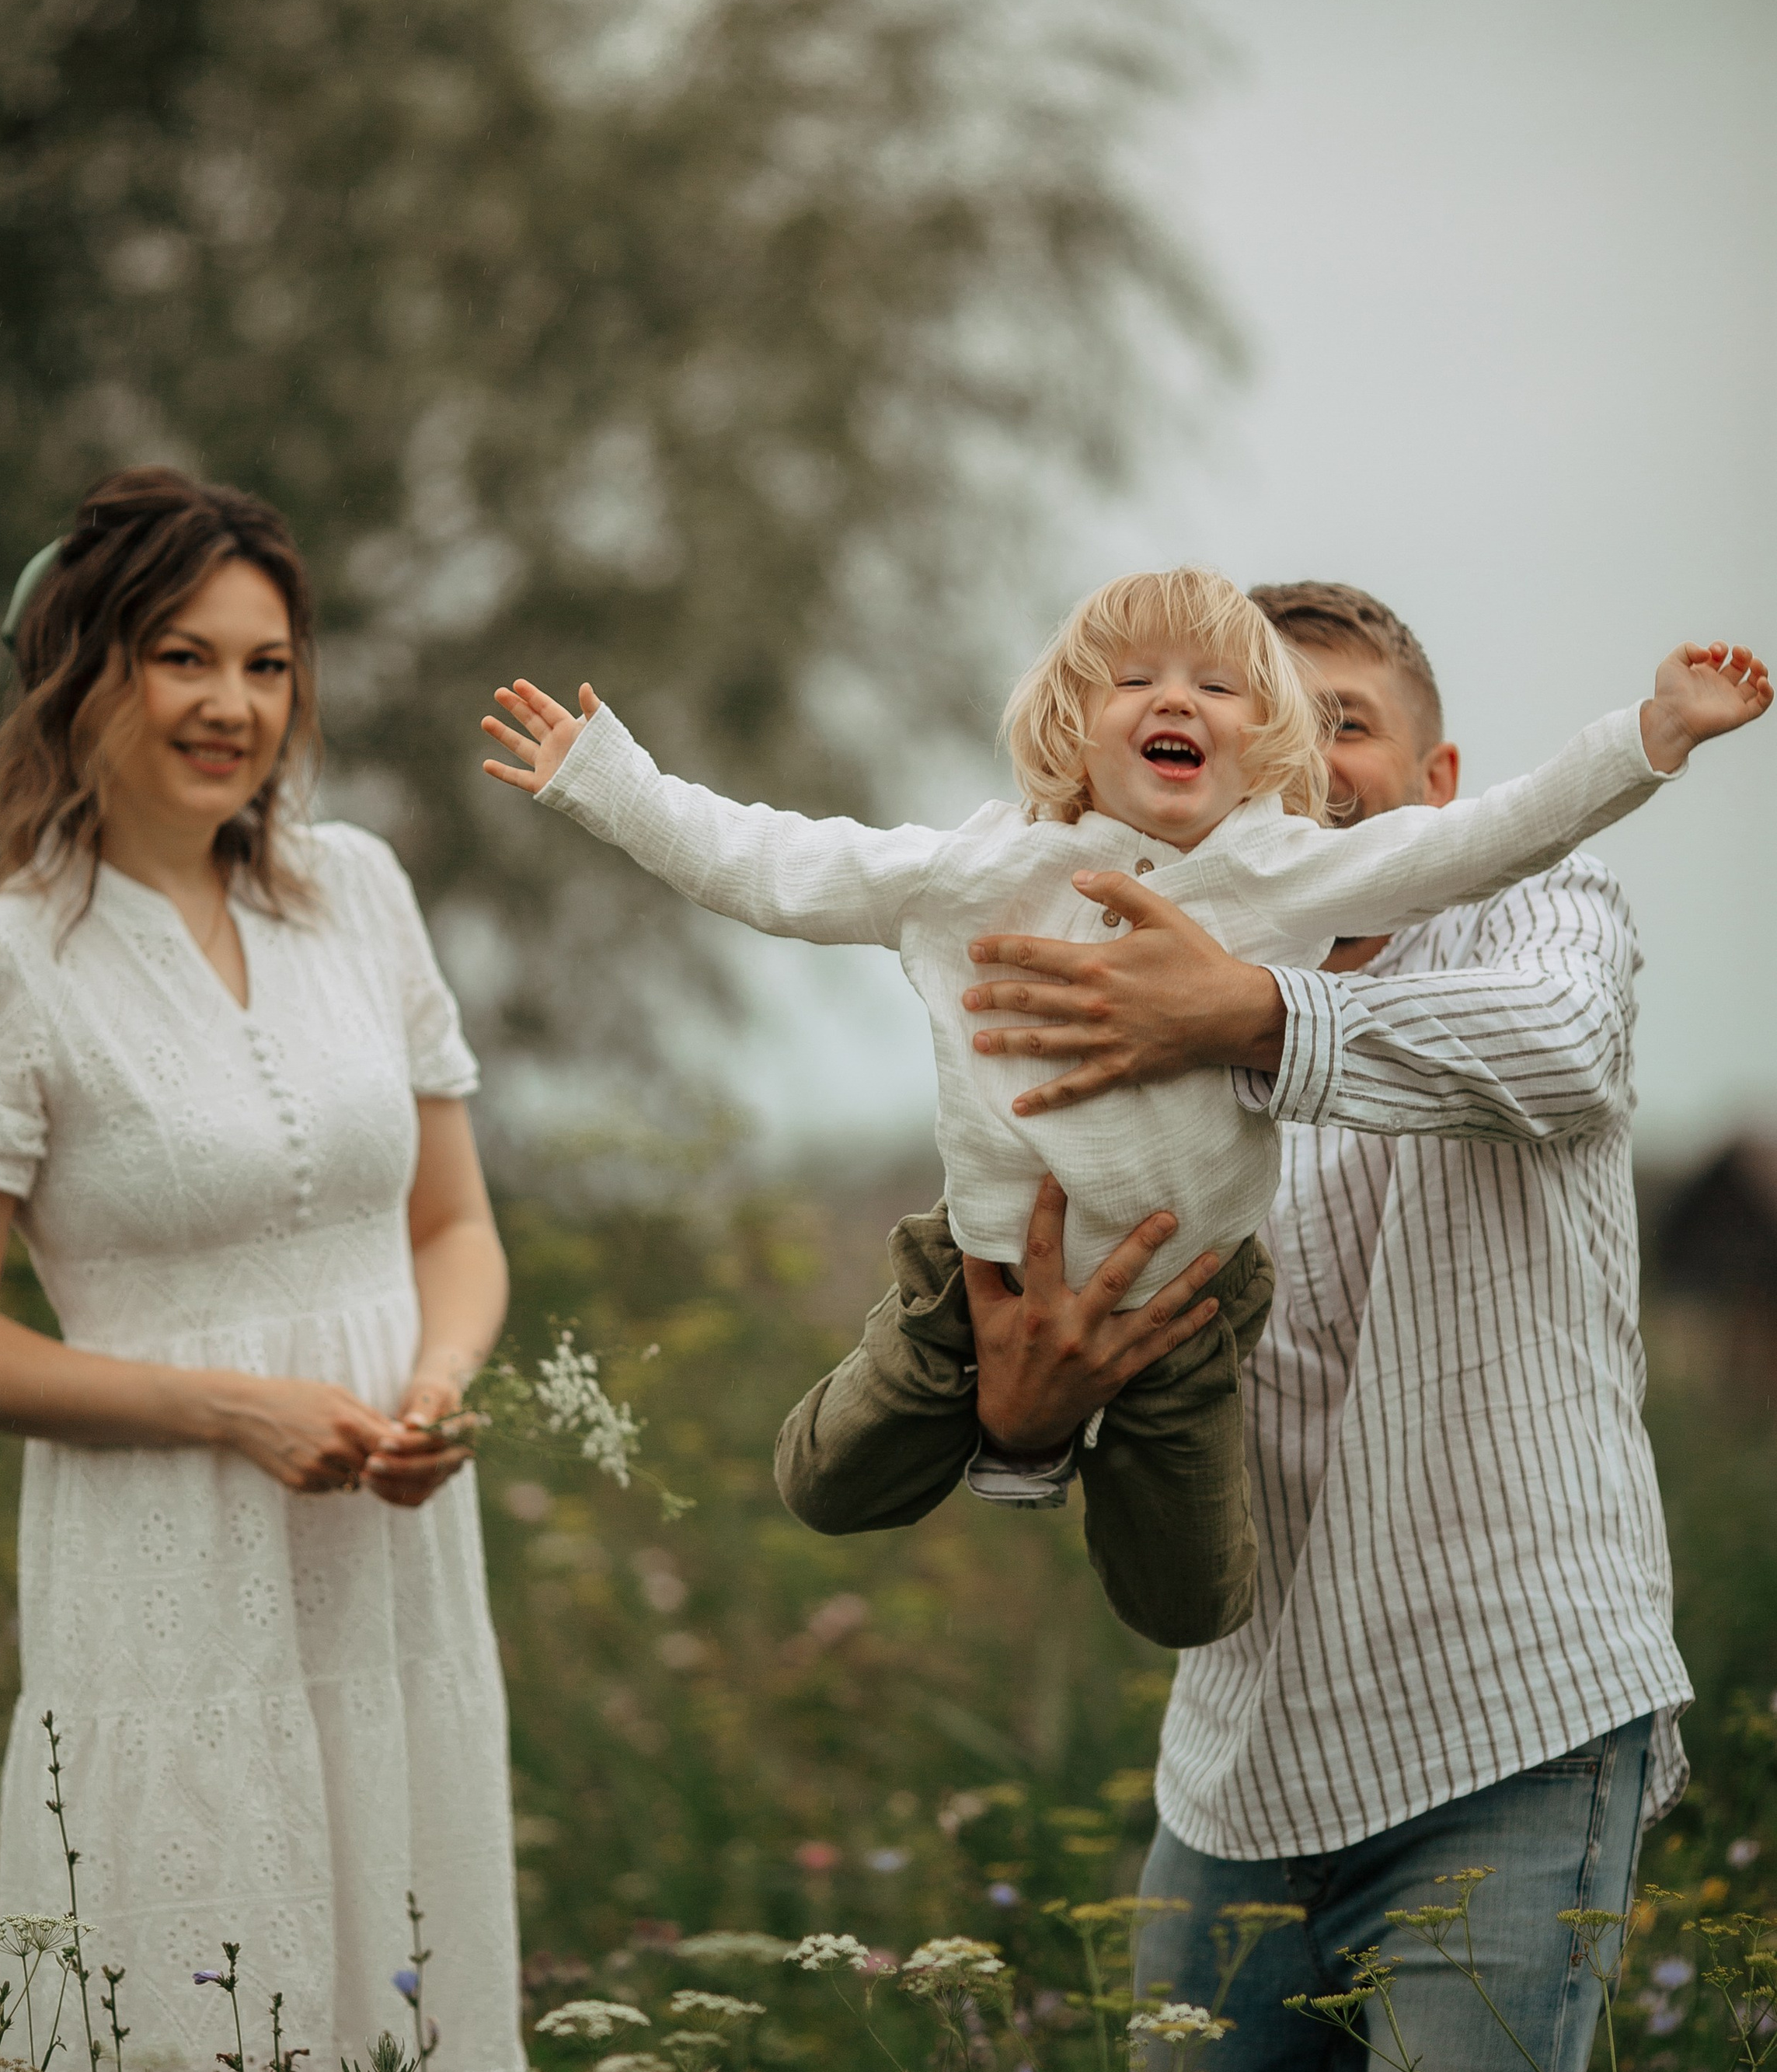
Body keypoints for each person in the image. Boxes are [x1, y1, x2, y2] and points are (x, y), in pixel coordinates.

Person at [836, 577, 1706, 2072]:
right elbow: (1112, 1363)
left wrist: (1242, 1010)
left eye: (1347, 725)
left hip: (1513, 1728)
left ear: (1437, 778)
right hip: (1243, 1764)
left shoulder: (1540, 914)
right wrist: (1022, 1431)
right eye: (1279, 728)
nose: (1307, 764)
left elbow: (1551, 1052)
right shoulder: (1144, 983)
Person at [482, 574, 1764, 1652]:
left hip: (1189, 1301)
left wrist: (1648, 735)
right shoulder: (976, 870)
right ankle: (1019, 1444)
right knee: (821, 1482)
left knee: (1189, 1605)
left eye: (1219, 689)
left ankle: (1060, 1458)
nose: (1176, 701)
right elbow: (774, 863)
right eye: (1135, 680)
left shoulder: (1281, 874)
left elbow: (1485, 839)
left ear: (1268, 759)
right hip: (980, 1270)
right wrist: (612, 782)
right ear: (1070, 731)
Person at [0, 466, 538, 2072]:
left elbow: (453, 1226)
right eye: (182, 655)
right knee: (211, 1979)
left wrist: (432, 1382)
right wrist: (230, 1410)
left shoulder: (361, 894)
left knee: (401, 1966)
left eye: (266, 662)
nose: (233, 703)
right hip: (166, 1570)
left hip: (390, 1556)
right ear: (77, 668)